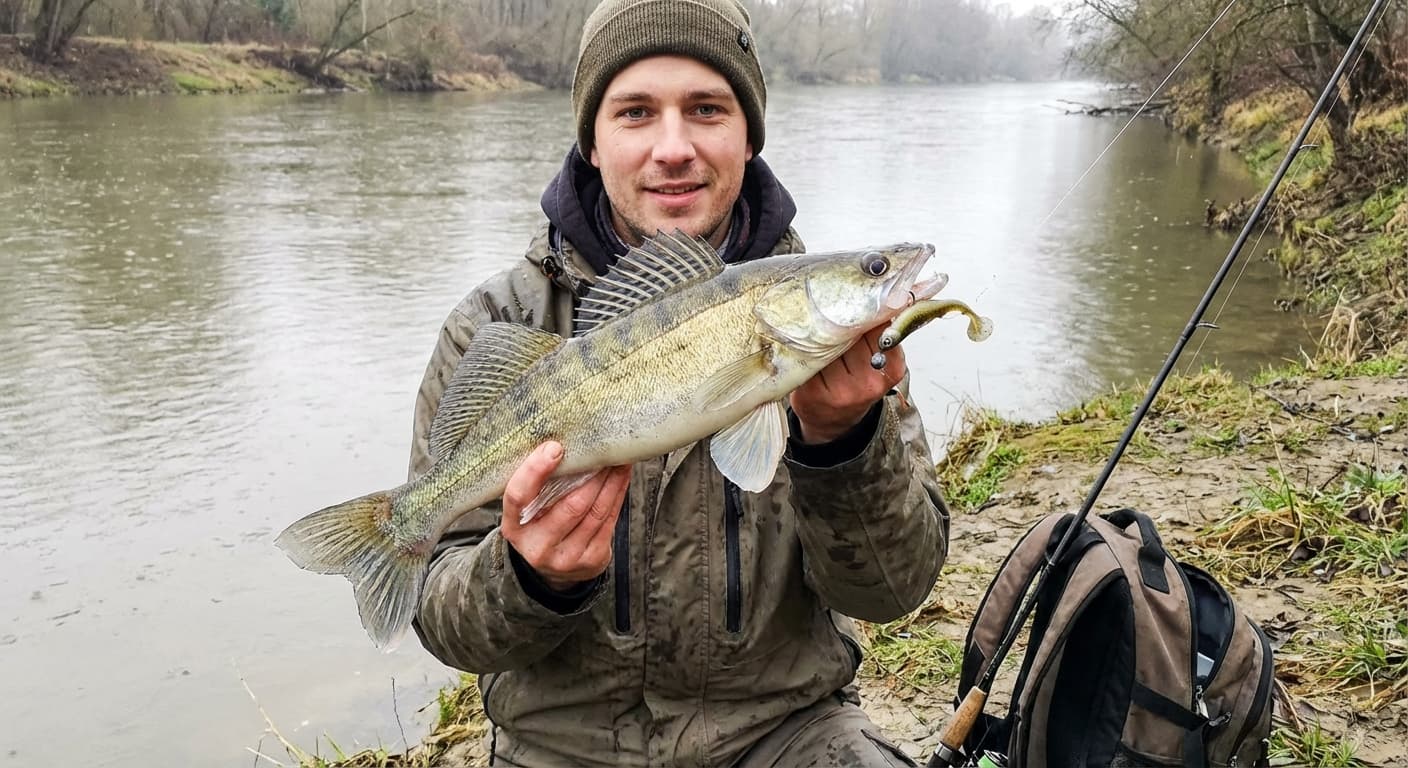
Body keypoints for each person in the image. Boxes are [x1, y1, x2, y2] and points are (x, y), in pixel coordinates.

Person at [408, 1, 950, 765]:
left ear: (749, 134)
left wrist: (844, 447)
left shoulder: (840, 349)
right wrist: (528, 579)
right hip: (558, 746)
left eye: (706, 109)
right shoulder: (496, 324)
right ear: (592, 142)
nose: (673, 148)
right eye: (634, 112)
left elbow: (893, 594)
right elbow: (443, 622)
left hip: (786, 731)